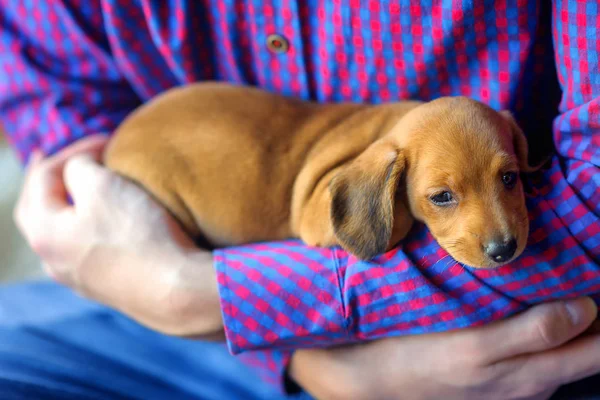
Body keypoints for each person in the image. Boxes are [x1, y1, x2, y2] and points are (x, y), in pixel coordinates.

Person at [0, 0, 599, 399]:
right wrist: (269, 342)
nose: (500, 233)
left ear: (515, 145)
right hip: (156, 317)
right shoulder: (373, 181)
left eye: (509, 179)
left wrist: (206, 296)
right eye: (444, 197)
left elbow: (592, 191)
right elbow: (76, 165)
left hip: (497, 353)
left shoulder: (438, 145)